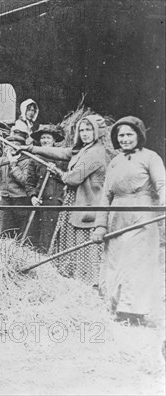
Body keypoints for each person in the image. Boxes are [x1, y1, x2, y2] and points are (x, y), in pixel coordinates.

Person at [91, 116, 165, 325]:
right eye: (120, 135)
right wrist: (100, 225)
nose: (124, 139)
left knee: (136, 263)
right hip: (117, 216)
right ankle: (116, 309)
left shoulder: (151, 157)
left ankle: (134, 312)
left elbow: (162, 184)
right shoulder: (114, 162)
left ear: (138, 135)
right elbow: (106, 195)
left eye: (129, 134)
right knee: (115, 262)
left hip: (141, 215)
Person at [24, 115, 109, 285]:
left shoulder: (96, 153)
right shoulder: (84, 149)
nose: (85, 134)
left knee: (85, 246)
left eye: (89, 129)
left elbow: (73, 179)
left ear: (97, 131)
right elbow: (62, 152)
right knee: (74, 243)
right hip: (76, 203)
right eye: (82, 130)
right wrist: (32, 149)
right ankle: (75, 280)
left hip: (88, 205)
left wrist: (57, 171)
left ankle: (89, 284)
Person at [0, 127, 31, 239]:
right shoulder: (2, 160)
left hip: (21, 200)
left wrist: (14, 166)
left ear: (21, 147)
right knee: (5, 230)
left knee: (21, 230)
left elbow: (25, 181)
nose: (12, 147)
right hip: (6, 199)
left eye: (16, 144)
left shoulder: (27, 161)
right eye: (10, 144)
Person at [25, 124, 67, 251]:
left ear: (54, 140)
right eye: (43, 138)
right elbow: (29, 182)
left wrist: (57, 172)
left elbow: (70, 178)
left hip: (55, 201)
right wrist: (32, 196)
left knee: (52, 235)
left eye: (48, 138)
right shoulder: (34, 158)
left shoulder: (62, 157)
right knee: (35, 235)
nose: (45, 140)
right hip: (38, 201)